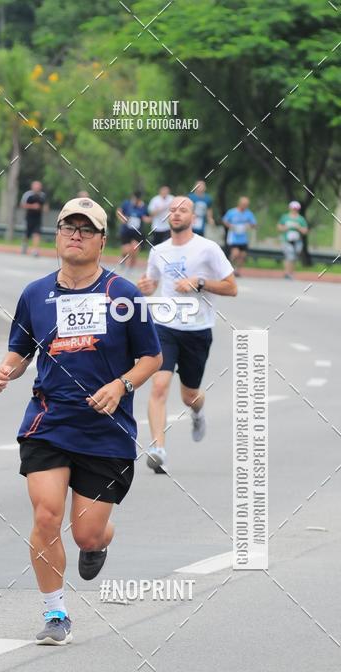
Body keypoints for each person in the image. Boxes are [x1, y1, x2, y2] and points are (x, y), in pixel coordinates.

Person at [0, 197, 162, 645]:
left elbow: (151, 357)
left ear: (102, 241)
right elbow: (21, 350)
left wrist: (121, 385)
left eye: (87, 229)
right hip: (49, 421)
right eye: (69, 227)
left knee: (85, 533)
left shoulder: (123, 295)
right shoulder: (35, 294)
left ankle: (100, 541)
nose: (76, 235)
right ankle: (55, 613)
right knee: (46, 515)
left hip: (107, 431)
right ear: (58, 234)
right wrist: (5, 368)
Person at [137, 196, 237, 474]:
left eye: (183, 210)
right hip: (165, 326)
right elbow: (153, 282)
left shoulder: (208, 249)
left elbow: (232, 288)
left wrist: (200, 282)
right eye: (172, 210)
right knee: (158, 386)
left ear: (193, 217)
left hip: (197, 331)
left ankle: (197, 412)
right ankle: (158, 449)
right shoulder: (158, 251)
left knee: (189, 395)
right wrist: (145, 287)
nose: (176, 213)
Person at [222, 197, 256, 276]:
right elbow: (224, 220)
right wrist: (230, 225)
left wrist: (249, 225)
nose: (245, 206)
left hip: (243, 238)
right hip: (234, 238)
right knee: (235, 254)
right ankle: (227, 268)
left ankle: (237, 271)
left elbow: (254, 224)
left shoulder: (249, 213)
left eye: (246, 205)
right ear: (239, 203)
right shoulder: (232, 212)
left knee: (242, 256)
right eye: (243, 204)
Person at [117, 190, 149, 271]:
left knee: (135, 249)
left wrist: (145, 219)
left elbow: (148, 217)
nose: (136, 201)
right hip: (126, 231)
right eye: (135, 199)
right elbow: (118, 212)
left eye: (138, 199)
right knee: (126, 250)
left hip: (137, 232)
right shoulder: (127, 204)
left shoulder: (143, 206)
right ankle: (123, 260)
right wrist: (123, 218)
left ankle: (131, 268)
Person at [277, 201, 308, 279]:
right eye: (293, 208)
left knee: (294, 257)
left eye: (296, 209)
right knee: (289, 256)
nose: (294, 210)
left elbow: (305, 231)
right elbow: (279, 227)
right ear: (290, 208)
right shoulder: (285, 217)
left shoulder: (301, 219)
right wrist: (286, 227)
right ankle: (287, 273)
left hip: (297, 241)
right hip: (287, 240)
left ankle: (291, 272)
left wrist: (298, 227)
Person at [20, 180, 48, 257]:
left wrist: (45, 209)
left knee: (37, 233)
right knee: (27, 234)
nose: (37, 188)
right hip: (28, 218)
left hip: (38, 218)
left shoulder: (43, 195)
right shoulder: (27, 195)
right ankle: (24, 246)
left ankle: (35, 250)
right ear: (32, 187)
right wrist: (33, 206)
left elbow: (45, 205)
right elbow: (22, 205)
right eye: (35, 186)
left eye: (38, 186)